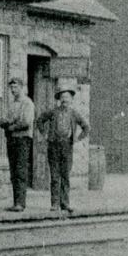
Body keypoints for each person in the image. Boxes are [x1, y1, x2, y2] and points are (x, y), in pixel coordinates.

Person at [36, 84, 90, 214]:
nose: (65, 100)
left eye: (67, 97)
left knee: (65, 175)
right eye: (62, 97)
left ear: (71, 99)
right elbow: (40, 120)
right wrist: (44, 134)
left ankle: (65, 203)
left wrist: (78, 138)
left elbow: (86, 127)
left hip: (67, 146)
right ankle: (54, 203)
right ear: (59, 99)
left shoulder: (74, 113)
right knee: (55, 176)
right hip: (53, 146)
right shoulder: (53, 112)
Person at [0, 77, 35, 212]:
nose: (13, 90)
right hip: (11, 140)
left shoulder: (27, 103)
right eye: (11, 88)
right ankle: (16, 202)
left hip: (23, 140)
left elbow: (26, 122)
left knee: (20, 170)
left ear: (22, 87)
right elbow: (2, 121)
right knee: (13, 171)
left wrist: (11, 126)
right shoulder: (11, 104)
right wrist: (11, 122)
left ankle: (21, 203)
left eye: (15, 87)